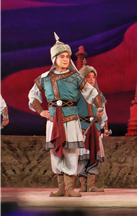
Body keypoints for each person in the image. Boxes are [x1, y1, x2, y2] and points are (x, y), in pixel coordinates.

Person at [27, 33, 102, 197]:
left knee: (70, 153)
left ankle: (69, 188)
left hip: (71, 120)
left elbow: (92, 92)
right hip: (53, 122)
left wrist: (99, 106)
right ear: (54, 58)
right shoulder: (45, 78)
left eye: (68, 56)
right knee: (55, 152)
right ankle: (61, 188)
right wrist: (41, 111)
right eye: (62, 56)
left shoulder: (76, 78)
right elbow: (33, 96)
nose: (66, 59)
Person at [77, 65, 108, 193]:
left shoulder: (98, 95)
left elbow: (104, 114)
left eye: (93, 77)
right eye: (88, 77)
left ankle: (91, 185)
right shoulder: (76, 94)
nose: (91, 79)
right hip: (81, 128)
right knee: (82, 157)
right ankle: (83, 185)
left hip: (95, 128)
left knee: (94, 155)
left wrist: (104, 128)